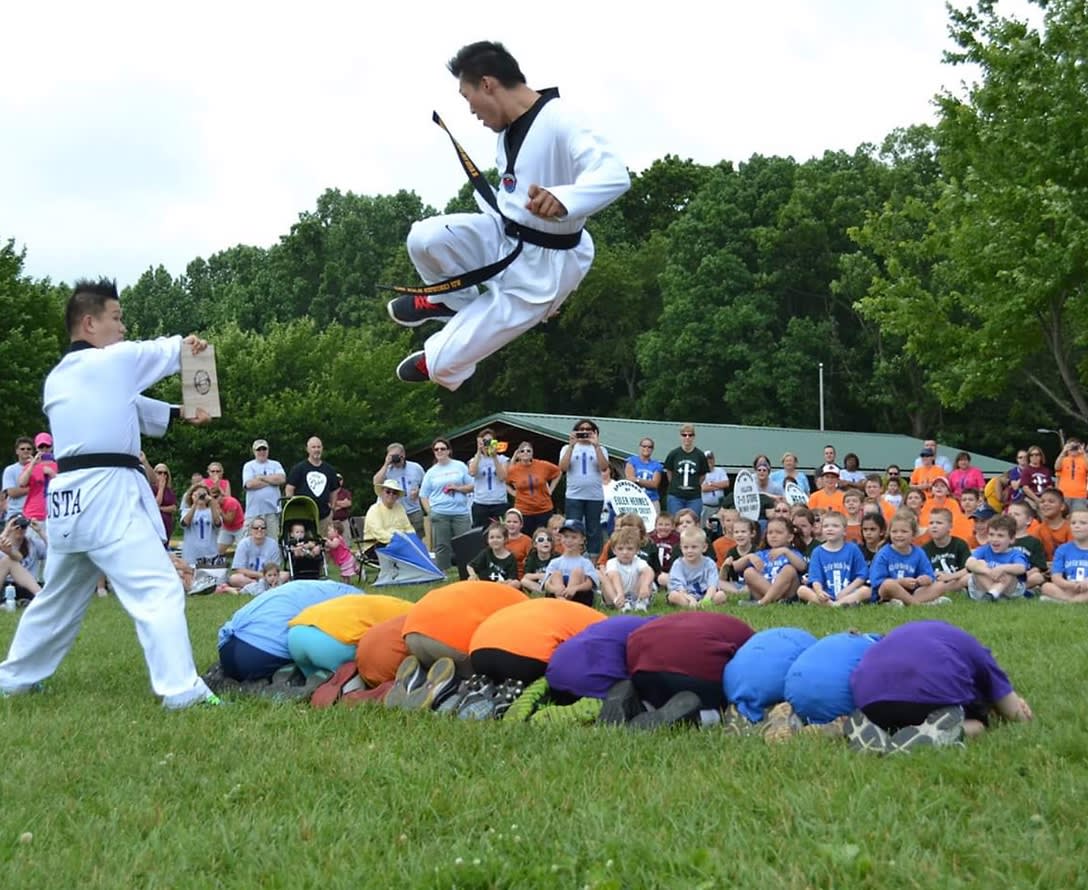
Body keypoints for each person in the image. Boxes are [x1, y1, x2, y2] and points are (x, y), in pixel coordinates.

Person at [0, 278, 217, 708]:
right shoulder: (111, 362)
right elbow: (164, 351)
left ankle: (14, 679)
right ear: (88, 322)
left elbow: (125, 407)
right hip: (106, 494)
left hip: (67, 502)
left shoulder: (60, 377)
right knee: (158, 589)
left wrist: (180, 415)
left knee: (57, 599)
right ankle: (181, 691)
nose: (122, 328)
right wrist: (189, 346)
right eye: (115, 318)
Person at [388, 40, 630, 389]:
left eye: (467, 96)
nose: (471, 111)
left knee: (440, 364)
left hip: (544, 269)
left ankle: (442, 357)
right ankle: (452, 302)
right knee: (424, 238)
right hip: (502, 235)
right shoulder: (508, 132)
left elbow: (614, 174)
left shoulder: (562, 119)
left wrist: (564, 199)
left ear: (487, 84)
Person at [847, 621, 1032, 753]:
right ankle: (934, 735)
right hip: (926, 689)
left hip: (867, 691)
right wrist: (1015, 706)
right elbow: (1016, 715)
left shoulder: (905, 635)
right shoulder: (980, 654)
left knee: (897, 711)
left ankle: (882, 727)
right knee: (979, 725)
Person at [419, 437, 473, 571]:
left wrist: (457, 488)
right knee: (442, 545)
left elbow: (472, 486)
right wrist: (430, 512)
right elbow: (423, 495)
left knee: (465, 543)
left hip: (460, 512)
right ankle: (443, 572)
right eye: (436, 449)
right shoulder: (431, 472)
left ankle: (467, 571)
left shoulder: (459, 466)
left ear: (449, 450)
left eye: (442, 448)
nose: (439, 451)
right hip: (440, 513)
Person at [558, 419, 609, 557]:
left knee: (593, 529)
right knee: (572, 527)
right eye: (582, 429)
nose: (585, 432)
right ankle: (572, 556)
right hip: (574, 495)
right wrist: (571, 446)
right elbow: (562, 468)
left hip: (594, 496)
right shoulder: (567, 448)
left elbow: (604, 467)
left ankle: (593, 559)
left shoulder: (601, 449)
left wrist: (597, 446)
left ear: (595, 432)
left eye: (589, 430)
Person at [797, 511, 870, 606]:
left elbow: (862, 575)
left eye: (835, 526)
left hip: (848, 592)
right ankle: (834, 604)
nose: (830, 529)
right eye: (826, 526)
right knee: (801, 590)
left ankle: (834, 604)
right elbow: (815, 578)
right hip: (826, 593)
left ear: (844, 531)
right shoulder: (817, 552)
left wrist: (846, 591)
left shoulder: (853, 549)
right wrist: (819, 592)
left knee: (866, 591)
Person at [869, 511, 938, 606]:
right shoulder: (883, 553)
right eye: (894, 531)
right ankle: (918, 604)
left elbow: (929, 575)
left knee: (939, 585)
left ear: (913, 535)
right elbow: (877, 582)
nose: (899, 535)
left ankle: (904, 602)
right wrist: (900, 582)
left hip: (912, 591)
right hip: (887, 594)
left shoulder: (919, 553)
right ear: (889, 533)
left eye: (904, 531)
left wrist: (925, 579)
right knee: (888, 584)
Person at [735, 517, 807, 606]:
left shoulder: (792, 553)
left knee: (789, 569)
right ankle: (774, 600)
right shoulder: (762, 554)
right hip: (763, 591)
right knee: (748, 572)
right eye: (770, 532)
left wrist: (786, 551)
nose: (773, 535)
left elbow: (802, 567)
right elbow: (734, 567)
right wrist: (748, 557)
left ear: (790, 537)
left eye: (779, 532)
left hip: (788, 593)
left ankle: (763, 602)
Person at [965, 514, 1028, 602]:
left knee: (1009, 572)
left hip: (1009, 591)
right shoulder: (985, 549)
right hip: (983, 589)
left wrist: (1002, 568)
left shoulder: (1015, 553)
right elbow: (968, 563)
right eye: (991, 534)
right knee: (979, 564)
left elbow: (1021, 568)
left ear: (1012, 539)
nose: (994, 539)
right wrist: (989, 572)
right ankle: (994, 595)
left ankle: (992, 595)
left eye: (1000, 535)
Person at [504, 441, 561, 535]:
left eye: (528, 450)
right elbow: (504, 482)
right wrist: (513, 492)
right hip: (524, 511)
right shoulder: (513, 470)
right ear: (518, 454)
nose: (525, 452)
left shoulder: (542, 465)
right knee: (527, 537)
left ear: (532, 453)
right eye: (522, 451)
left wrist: (550, 489)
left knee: (545, 536)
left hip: (544, 509)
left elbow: (558, 472)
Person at [285, 437, 339, 532]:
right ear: (308, 449)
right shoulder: (299, 468)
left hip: (324, 515)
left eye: (318, 447)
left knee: (325, 544)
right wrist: (291, 505)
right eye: (313, 447)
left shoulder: (329, 469)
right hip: (303, 515)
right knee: (306, 543)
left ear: (322, 448)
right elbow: (289, 488)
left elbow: (334, 490)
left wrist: (332, 508)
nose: (316, 450)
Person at [373, 442, 426, 538]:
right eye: (391, 456)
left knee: (417, 540)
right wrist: (386, 464)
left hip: (413, 510)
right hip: (394, 511)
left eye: (396, 455)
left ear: (403, 455)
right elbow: (376, 482)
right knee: (397, 540)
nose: (395, 458)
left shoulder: (416, 468)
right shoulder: (387, 470)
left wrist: (419, 491)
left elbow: (426, 485)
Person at [543, 519, 598, 606]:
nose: (569, 541)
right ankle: (564, 603)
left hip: (579, 597)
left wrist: (575, 588)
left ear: (582, 540)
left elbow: (590, 584)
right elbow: (546, 584)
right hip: (558, 595)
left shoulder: (585, 562)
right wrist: (555, 589)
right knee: (556, 573)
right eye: (566, 536)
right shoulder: (555, 562)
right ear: (561, 538)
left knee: (577, 571)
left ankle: (565, 604)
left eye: (574, 537)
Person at [666, 527, 724, 609]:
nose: (689, 551)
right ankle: (690, 605)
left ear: (704, 547)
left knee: (721, 595)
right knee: (673, 595)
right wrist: (690, 598)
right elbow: (678, 586)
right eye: (685, 547)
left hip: (705, 594)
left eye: (694, 547)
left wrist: (706, 599)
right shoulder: (678, 564)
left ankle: (703, 604)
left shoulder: (709, 563)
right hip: (685, 595)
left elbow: (712, 584)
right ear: (681, 548)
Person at [1039, 506, 1088, 603]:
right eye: (1073, 523)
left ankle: (1065, 601)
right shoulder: (1063, 549)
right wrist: (1071, 585)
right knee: (1046, 586)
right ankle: (1074, 601)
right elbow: (1056, 577)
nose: (1076, 526)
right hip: (1069, 587)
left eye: (1083, 523)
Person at [601, 527, 655, 612]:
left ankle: (641, 602)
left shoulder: (638, 561)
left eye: (629, 549)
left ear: (637, 550)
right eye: (620, 549)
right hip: (616, 594)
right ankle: (619, 603)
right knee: (605, 578)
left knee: (646, 574)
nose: (625, 552)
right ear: (614, 550)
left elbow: (649, 571)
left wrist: (645, 585)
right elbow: (614, 576)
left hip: (635, 594)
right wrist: (620, 593)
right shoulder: (611, 562)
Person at [242, 438, 286, 538]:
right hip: (253, 512)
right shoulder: (249, 466)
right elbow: (249, 484)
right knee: (249, 540)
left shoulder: (276, 464)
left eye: (264, 449)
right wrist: (272, 481)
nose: (262, 452)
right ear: (254, 451)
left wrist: (262, 478)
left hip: (272, 511)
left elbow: (282, 479)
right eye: (259, 450)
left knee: (273, 541)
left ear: (268, 450)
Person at [923, 508, 971, 598]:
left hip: (956, 580)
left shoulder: (960, 544)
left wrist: (950, 577)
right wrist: (933, 576)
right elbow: (924, 573)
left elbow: (968, 569)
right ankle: (946, 593)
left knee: (968, 578)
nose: (934, 526)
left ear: (950, 526)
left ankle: (945, 593)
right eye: (931, 523)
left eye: (939, 523)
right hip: (936, 584)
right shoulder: (925, 549)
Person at [361, 478, 416, 557]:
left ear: (397, 496)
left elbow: (408, 527)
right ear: (382, 493)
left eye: (394, 493)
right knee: (406, 552)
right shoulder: (374, 510)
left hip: (399, 544)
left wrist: (412, 538)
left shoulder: (400, 508)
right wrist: (398, 540)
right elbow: (379, 533)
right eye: (388, 492)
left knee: (416, 548)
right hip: (376, 546)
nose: (391, 495)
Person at [467, 427, 510, 529]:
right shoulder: (474, 460)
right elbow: (472, 472)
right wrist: (479, 451)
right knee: (479, 534)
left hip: (499, 503)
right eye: (485, 441)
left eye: (490, 441)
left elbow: (502, 477)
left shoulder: (503, 459)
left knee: (501, 531)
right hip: (481, 503)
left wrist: (494, 456)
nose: (487, 444)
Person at [0, 515, 47, 605]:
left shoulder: (33, 544)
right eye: (16, 526)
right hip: (7, 586)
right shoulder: (3, 544)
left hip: (28, 587)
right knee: (8, 560)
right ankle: (42, 598)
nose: (20, 529)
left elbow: (55, 552)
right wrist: (6, 531)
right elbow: (15, 558)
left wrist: (40, 531)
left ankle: (42, 598)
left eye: (23, 526)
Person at [663, 424, 709, 516]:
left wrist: (694, 484)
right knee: (675, 521)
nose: (687, 437)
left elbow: (702, 475)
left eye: (690, 435)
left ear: (694, 437)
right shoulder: (674, 454)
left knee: (693, 522)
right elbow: (669, 472)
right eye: (684, 435)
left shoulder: (700, 455)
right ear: (680, 436)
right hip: (676, 495)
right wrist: (675, 484)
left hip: (694, 497)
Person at [228, 519, 282, 590]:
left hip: (269, 576)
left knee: (285, 575)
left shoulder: (273, 544)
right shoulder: (243, 543)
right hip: (248, 577)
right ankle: (259, 585)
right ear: (251, 530)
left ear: (266, 530)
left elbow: (276, 567)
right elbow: (239, 569)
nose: (259, 530)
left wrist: (268, 576)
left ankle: (254, 587)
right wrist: (260, 575)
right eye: (256, 528)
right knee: (234, 578)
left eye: (263, 528)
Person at [16, 433, 58, 522]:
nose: (44, 449)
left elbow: (64, 484)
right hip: (34, 514)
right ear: (36, 448)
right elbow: (22, 483)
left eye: (47, 446)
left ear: (51, 447)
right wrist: (33, 464)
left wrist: (50, 472)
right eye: (41, 447)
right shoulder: (30, 466)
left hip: (55, 513)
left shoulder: (58, 464)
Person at [180, 481, 221, 566]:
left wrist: (212, 503)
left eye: (203, 494)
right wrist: (195, 504)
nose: (201, 497)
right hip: (191, 555)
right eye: (198, 494)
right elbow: (185, 523)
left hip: (210, 553)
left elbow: (218, 523)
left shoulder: (212, 511)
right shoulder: (187, 511)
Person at [467, 522, 520, 587]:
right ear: (488, 540)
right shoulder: (486, 552)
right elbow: (470, 566)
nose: (495, 540)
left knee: (516, 583)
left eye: (498, 537)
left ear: (505, 539)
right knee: (470, 579)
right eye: (492, 537)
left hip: (502, 588)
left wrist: (504, 582)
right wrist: (473, 575)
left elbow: (512, 579)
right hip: (485, 586)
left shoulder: (511, 558)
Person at [625, 437, 664, 512]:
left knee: (654, 522)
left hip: (652, 499)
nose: (647, 448)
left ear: (652, 449)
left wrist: (637, 479)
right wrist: (646, 482)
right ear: (640, 447)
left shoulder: (656, 465)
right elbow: (630, 479)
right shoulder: (632, 460)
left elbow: (654, 484)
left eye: (649, 447)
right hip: (634, 499)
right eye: (644, 446)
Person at [520, 528, 555, 595]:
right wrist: (540, 576)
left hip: (551, 584)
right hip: (537, 585)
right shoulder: (532, 557)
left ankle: (549, 593)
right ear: (535, 544)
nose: (546, 542)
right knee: (524, 581)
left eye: (549, 539)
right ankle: (543, 593)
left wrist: (547, 577)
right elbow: (526, 576)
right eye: (541, 540)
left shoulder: (556, 557)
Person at [1054, 438, 1087, 508]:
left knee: (1078, 516)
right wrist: (1063, 451)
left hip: (1080, 495)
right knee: (1064, 516)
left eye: (1075, 447)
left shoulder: (1084, 459)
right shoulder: (1063, 459)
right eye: (1071, 447)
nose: (1073, 448)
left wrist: (1083, 452)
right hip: (1064, 494)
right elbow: (1056, 467)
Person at [212, 485, 245, 556]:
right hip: (227, 529)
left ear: (221, 495)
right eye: (212, 498)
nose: (214, 500)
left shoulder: (231, 502)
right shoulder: (213, 505)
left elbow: (229, 521)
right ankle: (217, 564)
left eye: (216, 497)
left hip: (239, 528)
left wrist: (220, 512)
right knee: (218, 551)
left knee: (243, 550)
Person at [700, 451, 730, 524]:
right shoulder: (701, 472)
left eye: (711, 458)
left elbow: (726, 483)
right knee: (705, 527)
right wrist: (719, 486)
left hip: (719, 507)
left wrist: (710, 484)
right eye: (707, 459)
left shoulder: (720, 471)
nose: (709, 461)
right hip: (706, 507)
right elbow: (703, 488)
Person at [152, 463, 178, 541]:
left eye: (165, 473)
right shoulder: (151, 489)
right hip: (156, 523)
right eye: (160, 473)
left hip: (167, 523)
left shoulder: (169, 491)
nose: (163, 475)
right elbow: (156, 504)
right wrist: (161, 488)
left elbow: (174, 508)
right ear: (155, 474)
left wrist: (160, 509)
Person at [330, 474, 354, 543]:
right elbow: (328, 504)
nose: (338, 481)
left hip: (344, 521)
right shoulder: (329, 491)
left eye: (340, 480)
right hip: (332, 522)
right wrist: (342, 503)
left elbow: (348, 503)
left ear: (342, 481)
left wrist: (335, 503)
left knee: (346, 541)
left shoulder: (345, 492)